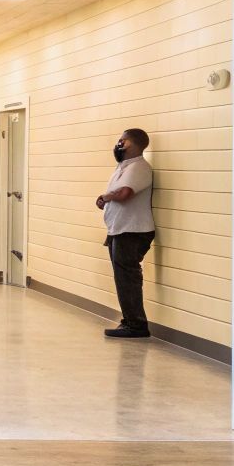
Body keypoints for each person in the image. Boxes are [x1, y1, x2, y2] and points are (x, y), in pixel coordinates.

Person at [95, 128, 156, 339]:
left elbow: (125, 193)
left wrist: (107, 196)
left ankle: (136, 325)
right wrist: (104, 199)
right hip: (120, 229)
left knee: (127, 278)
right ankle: (129, 320)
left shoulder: (138, 167)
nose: (118, 144)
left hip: (132, 231)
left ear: (130, 144)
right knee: (122, 278)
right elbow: (115, 194)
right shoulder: (123, 167)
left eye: (122, 140)